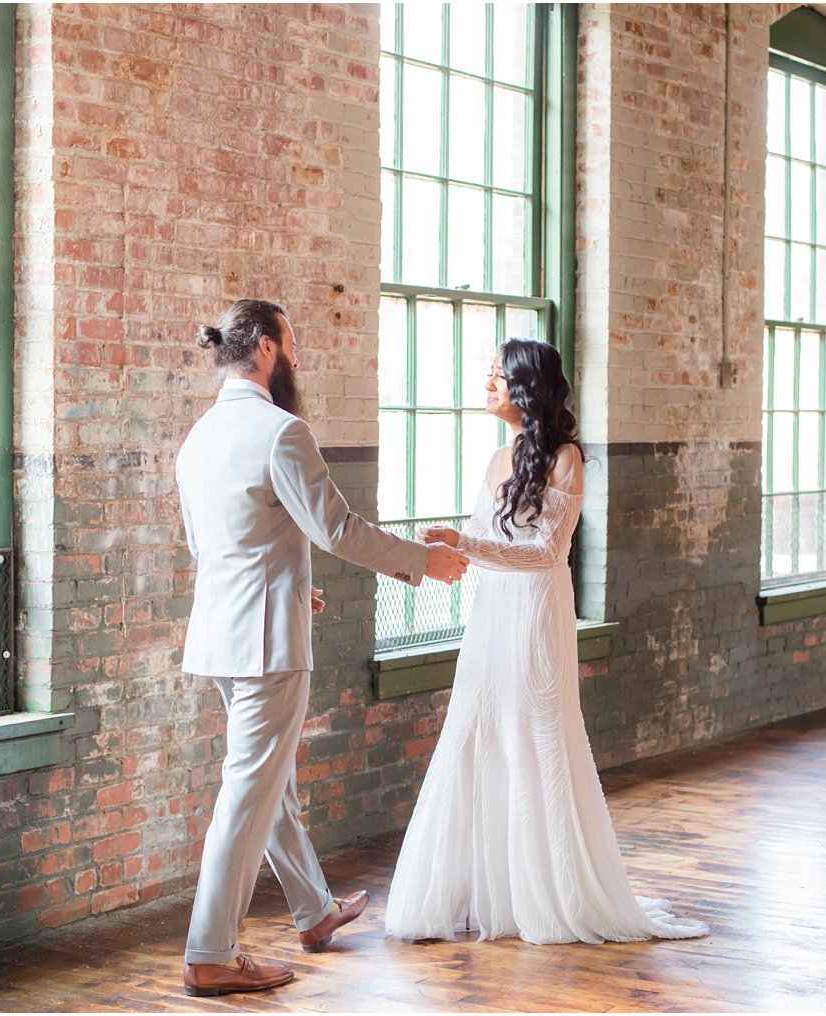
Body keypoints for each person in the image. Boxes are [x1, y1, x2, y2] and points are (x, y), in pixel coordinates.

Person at [177, 299, 470, 997]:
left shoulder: (197, 439)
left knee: (266, 787)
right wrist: (423, 561)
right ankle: (209, 951)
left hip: (223, 635)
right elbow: (336, 528)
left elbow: (216, 547)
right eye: (295, 343)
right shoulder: (281, 432)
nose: (299, 357)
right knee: (246, 797)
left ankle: (313, 912)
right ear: (268, 349)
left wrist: (289, 587)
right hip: (268, 646)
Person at [384, 338, 708, 945]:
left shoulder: (566, 460)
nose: (487, 384)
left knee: (536, 734)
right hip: (492, 612)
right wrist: (444, 553)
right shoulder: (497, 457)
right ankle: (480, 892)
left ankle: (548, 892)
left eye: (497, 376)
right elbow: (481, 539)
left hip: (536, 610)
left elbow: (545, 553)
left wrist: (466, 545)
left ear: (526, 387)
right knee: (477, 731)